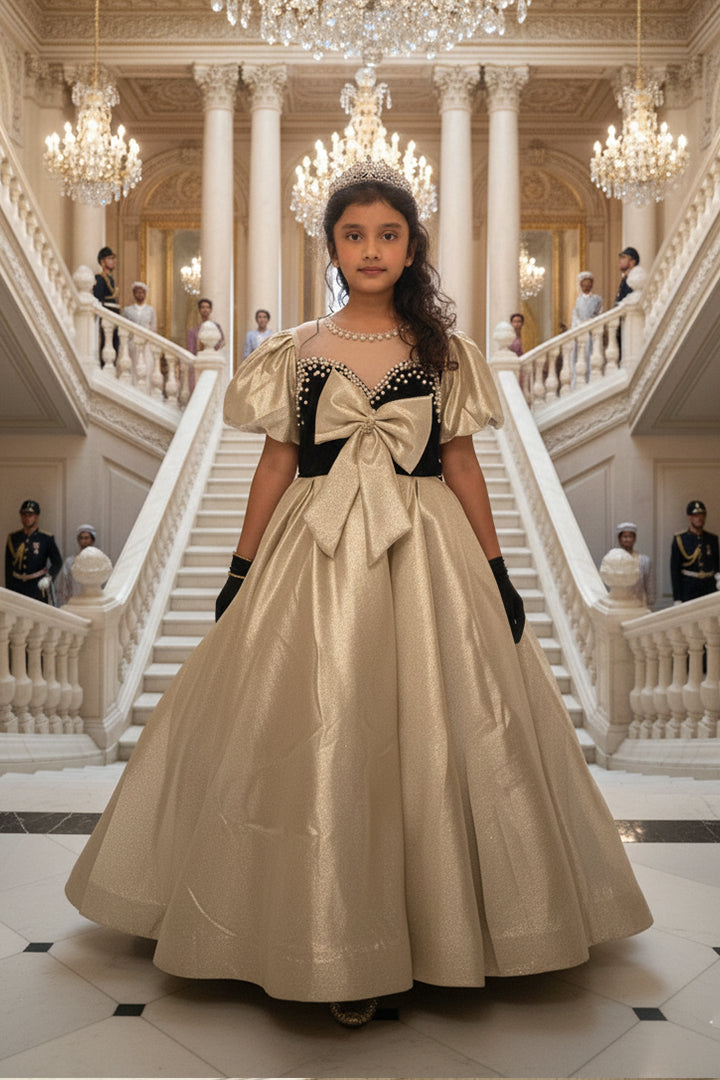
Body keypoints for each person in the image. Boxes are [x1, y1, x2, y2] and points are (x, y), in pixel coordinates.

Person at [65, 161, 651, 1029]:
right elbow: (272, 464)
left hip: (427, 546)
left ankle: (442, 929)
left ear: (411, 247)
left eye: (388, 234)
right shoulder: (295, 349)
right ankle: (318, 933)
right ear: (331, 244)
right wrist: (238, 566)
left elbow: (461, 462)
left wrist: (495, 570)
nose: (371, 249)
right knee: (317, 727)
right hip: (316, 541)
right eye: (353, 234)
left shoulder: (443, 353)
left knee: (442, 731)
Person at [5, 500, 62, 604]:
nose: (26, 518)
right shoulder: (13, 538)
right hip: (17, 587)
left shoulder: (46, 538)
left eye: (30, 515)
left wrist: (48, 578)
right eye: (24, 514)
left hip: (37, 587)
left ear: (36, 516)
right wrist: (9, 589)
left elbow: (57, 562)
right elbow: (8, 567)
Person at [671, 500, 719, 603]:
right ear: (690, 517)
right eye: (696, 515)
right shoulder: (680, 539)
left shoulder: (712, 539)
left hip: (709, 588)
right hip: (689, 589)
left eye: (702, 515)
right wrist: (677, 598)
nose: (699, 518)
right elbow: (674, 571)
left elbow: (716, 564)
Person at [186, 298, 225, 395]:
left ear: (211, 310)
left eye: (207, 307)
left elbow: (222, 342)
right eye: (203, 307)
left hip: (212, 362)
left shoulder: (216, 327)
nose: (205, 309)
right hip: (198, 364)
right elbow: (191, 350)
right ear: (199, 310)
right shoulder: (193, 331)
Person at [570, 271, 603, 387]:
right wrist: (579, 325)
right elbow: (575, 315)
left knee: (592, 354)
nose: (587, 286)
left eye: (589, 284)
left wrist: (592, 322)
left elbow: (600, 313)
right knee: (579, 356)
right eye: (584, 284)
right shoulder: (579, 300)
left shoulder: (597, 299)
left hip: (592, 330)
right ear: (581, 285)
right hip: (581, 331)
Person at [615, 521, 656, 608]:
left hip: (639, 605)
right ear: (619, 539)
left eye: (630, 536)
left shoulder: (644, 561)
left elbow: (650, 585)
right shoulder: (614, 560)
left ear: (634, 539)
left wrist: (650, 604)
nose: (627, 539)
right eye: (624, 536)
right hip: (619, 606)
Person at [56, 524, 98, 606]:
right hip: (75, 603)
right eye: (81, 538)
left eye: (86, 538)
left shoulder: (98, 561)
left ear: (92, 540)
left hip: (92, 604)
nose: (84, 541)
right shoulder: (70, 562)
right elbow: (64, 585)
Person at [93, 246, 121, 365]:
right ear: (102, 262)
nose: (113, 261)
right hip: (107, 317)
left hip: (113, 316)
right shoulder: (100, 278)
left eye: (113, 258)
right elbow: (98, 300)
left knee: (115, 345)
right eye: (110, 258)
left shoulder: (110, 279)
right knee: (107, 344)